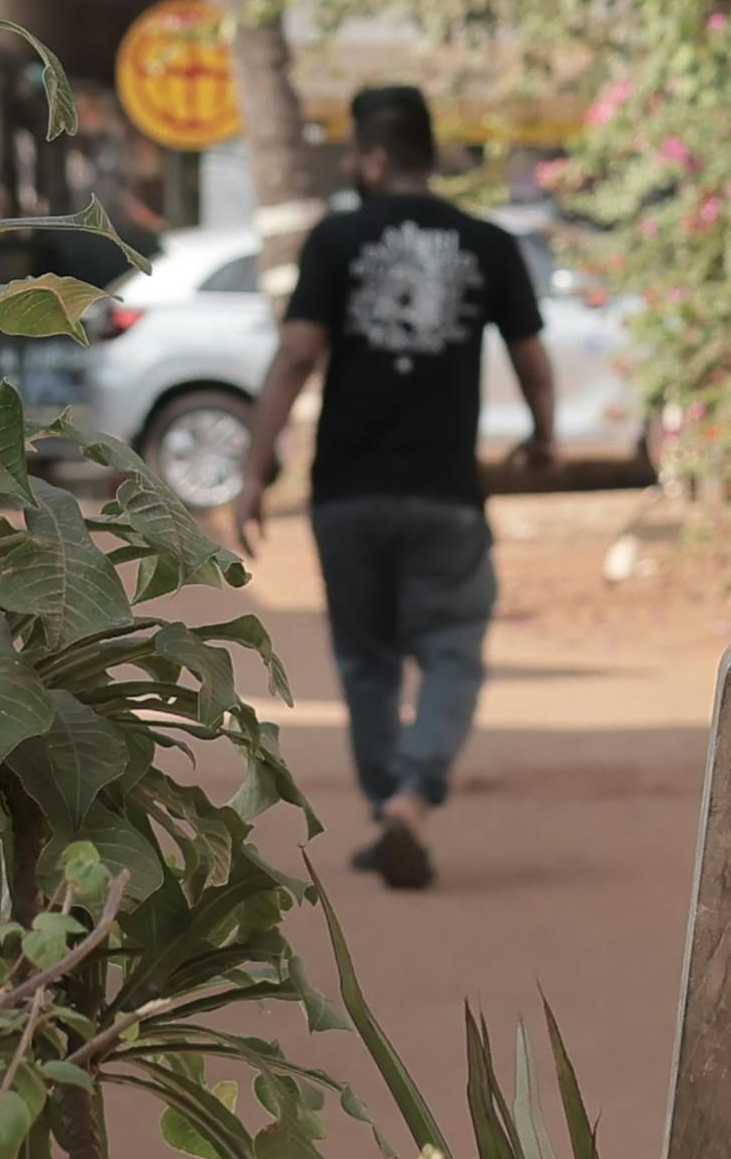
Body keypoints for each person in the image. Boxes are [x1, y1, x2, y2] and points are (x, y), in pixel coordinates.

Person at [237, 82, 556, 890]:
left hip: (347, 489)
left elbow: (297, 355)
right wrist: (543, 434)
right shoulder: (486, 242)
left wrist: (253, 468)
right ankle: (413, 798)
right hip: (443, 490)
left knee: (366, 659)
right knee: (452, 650)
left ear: (372, 156)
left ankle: (389, 807)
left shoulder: (336, 238)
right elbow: (530, 356)